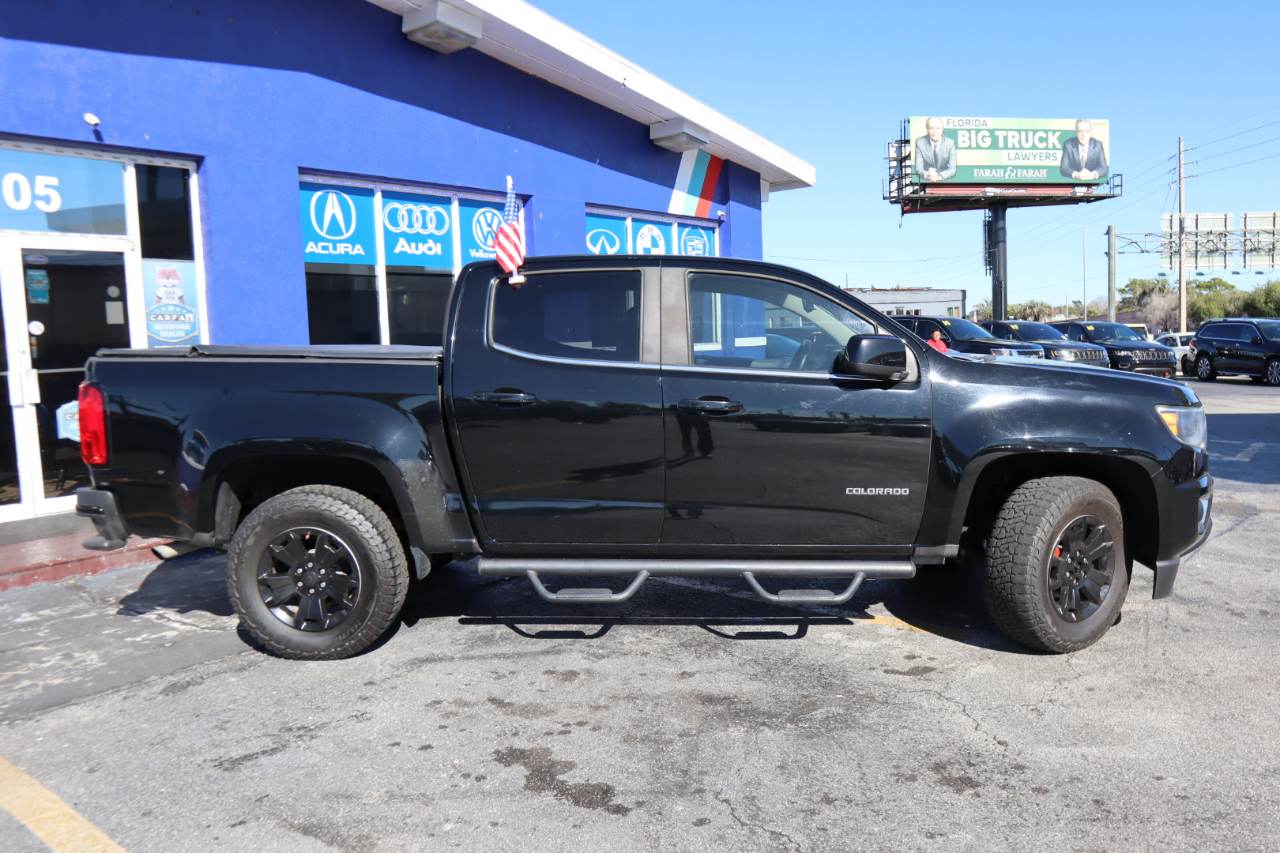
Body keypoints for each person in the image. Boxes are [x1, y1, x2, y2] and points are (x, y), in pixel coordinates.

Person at [914, 117, 956, 183]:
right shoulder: (920, 142)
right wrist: (927, 174)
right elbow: (918, 169)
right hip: (928, 176)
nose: (934, 131)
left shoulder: (950, 143)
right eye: (931, 128)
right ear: (927, 129)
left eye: (938, 128)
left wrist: (939, 176)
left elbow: (952, 170)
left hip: (944, 181)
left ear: (942, 129)